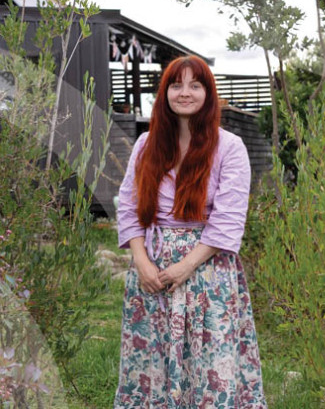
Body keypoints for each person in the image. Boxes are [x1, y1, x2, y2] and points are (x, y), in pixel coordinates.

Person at [114, 55, 267, 408]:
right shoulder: (145, 145)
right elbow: (129, 205)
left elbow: (228, 219)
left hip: (206, 272)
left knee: (208, 362)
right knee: (150, 363)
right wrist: (141, 261)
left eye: (195, 85)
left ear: (208, 94)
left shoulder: (229, 147)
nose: (185, 93)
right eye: (176, 84)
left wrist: (184, 268)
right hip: (152, 272)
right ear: (165, 92)